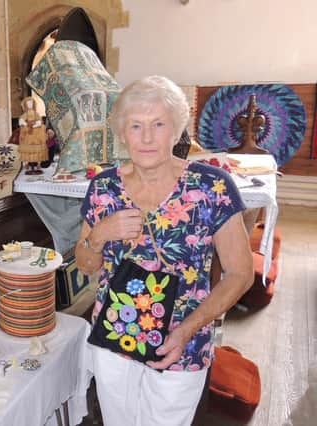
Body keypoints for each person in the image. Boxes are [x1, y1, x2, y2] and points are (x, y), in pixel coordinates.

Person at [75, 75, 253, 426]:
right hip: (116, 334)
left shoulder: (210, 186)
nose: (145, 137)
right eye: (135, 125)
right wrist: (99, 235)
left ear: (176, 129)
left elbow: (240, 273)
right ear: (122, 133)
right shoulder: (104, 188)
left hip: (181, 340)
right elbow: (85, 264)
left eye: (158, 124)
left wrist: (187, 330)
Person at [18, 96, 48, 174]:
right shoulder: (26, 114)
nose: (30, 105)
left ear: (33, 104)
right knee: (28, 147)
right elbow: (21, 120)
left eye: (31, 103)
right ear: (25, 105)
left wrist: (35, 125)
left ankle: (38, 163)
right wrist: (26, 124)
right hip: (28, 131)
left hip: (36, 132)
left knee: (38, 147)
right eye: (28, 103)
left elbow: (39, 121)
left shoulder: (36, 113)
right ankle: (28, 163)